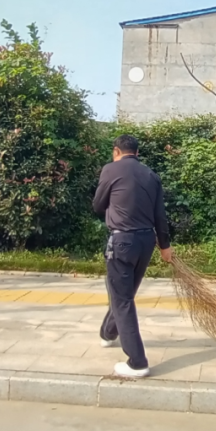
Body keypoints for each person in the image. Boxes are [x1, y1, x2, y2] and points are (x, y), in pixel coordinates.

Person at [92, 134, 173, 379]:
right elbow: (160, 215)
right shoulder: (151, 175)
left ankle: (137, 362)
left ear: (117, 151)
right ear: (137, 153)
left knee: (122, 299)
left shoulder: (111, 169)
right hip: (146, 242)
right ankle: (108, 333)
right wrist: (165, 246)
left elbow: (97, 205)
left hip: (122, 241)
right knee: (124, 295)